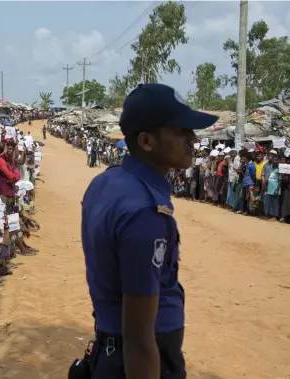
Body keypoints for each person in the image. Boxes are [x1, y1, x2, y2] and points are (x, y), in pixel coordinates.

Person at [81, 84, 218, 379]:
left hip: (109, 345)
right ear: (146, 141)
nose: (193, 139)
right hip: (141, 357)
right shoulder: (145, 212)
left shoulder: (106, 182)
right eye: (181, 131)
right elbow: (139, 338)